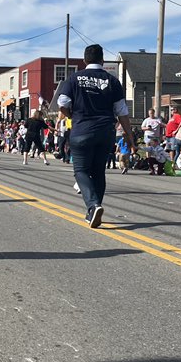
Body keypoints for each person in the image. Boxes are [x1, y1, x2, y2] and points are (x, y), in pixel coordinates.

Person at [55, 43, 136, 228]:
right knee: (99, 171)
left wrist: (72, 116)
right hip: (105, 131)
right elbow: (122, 111)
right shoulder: (112, 81)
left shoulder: (73, 79)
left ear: (84, 60)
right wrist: (130, 137)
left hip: (81, 130)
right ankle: (93, 210)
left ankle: (93, 206)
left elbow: (62, 103)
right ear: (102, 60)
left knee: (81, 171)